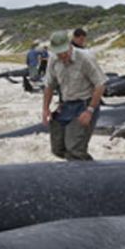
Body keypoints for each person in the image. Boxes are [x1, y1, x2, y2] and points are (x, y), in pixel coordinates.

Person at [42, 30, 107, 161]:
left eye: (65, 52)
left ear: (70, 45)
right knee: (58, 148)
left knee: (74, 149)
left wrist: (90, 111)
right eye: (59, 53)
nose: (63, 56)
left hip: (84, 104)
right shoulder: (53, 60)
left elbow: (100, 85)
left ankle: (88, 170)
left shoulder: (85, 58)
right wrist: (45, 109)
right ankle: (78, 165)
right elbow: (49, 85)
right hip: (66, 105)